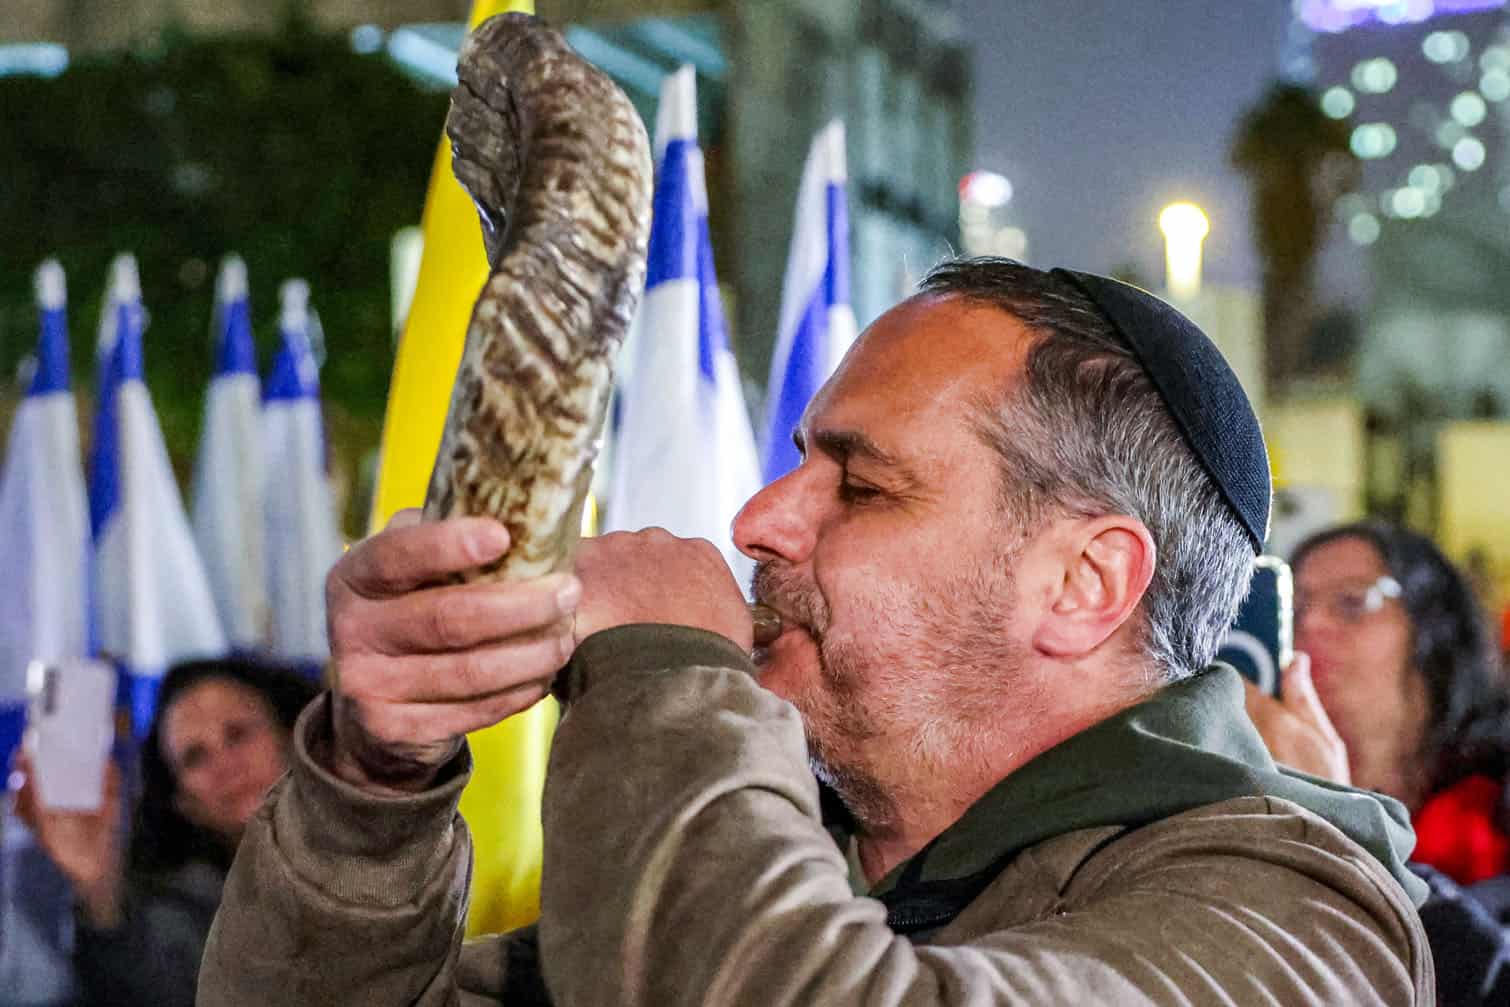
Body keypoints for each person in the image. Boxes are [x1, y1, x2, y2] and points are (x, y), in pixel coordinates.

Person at [201, 259, 1433, 1005]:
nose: (755, 518)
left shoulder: (1295, 915)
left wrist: (666, 672)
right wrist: (375, 772)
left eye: (862, 483)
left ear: (1082, 581)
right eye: (799, 461)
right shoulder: (792, 851)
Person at [1245, 520, 1510, 1004]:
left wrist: (1340, 824)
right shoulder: (1256, 791)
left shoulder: (1496, 813)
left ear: (1434, 630)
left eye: (1351, 603)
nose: (1311, 627)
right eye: (1294, 608)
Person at [14, 656, 317, 1007]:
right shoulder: (189, 918)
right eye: (195, 757)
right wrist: (98, 892)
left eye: (237, 734)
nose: (225, 764)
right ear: (185, 803)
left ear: (292, 739)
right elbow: (149, 984)